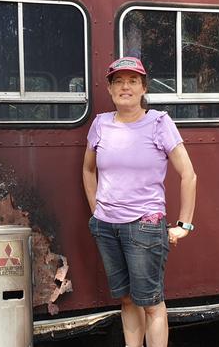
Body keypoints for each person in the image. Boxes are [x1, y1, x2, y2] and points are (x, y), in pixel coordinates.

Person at [82, 57, 197, 347]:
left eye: (132, 81)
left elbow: (188, 175)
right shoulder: (101, 124)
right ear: (109, 89)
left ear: (143, 88)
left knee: (151, 303)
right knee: (127, 300)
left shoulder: (159, 123)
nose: (125, 87)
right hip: (107, 227)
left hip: (144, 228)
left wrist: (184, 224)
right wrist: (97, 212)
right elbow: (88, 169)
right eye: (118, 81)